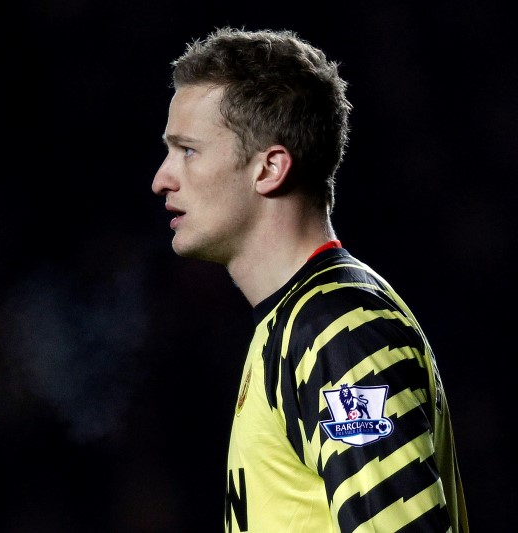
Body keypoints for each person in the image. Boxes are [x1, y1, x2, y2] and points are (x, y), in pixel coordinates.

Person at [151, 26, 468, 532]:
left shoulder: (340, 332)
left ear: (270, 168)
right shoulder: (296, 323)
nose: (162, 178)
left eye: (187, 150)